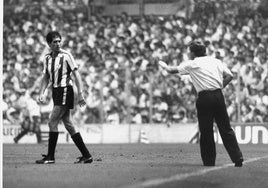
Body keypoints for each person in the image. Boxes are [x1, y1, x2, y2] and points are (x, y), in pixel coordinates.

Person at [158, 41, 243, 167]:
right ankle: (238, 158)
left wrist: (163, 65)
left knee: (206, 130)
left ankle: (209, 162)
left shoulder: (193, 64)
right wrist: (219, 87)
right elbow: (230, 75)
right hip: (218, 96)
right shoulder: (216, 61)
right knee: (226, 128)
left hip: (204, 98)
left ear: (193, 53)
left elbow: (171, 71)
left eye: (189, 52)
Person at [36, 31, 93, 164]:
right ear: (49, 44)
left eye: (59, 41)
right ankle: (87, 155)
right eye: (54, 42)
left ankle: (50, 157)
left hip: (65, 90)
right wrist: (41, 92)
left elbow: (77, 75)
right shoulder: (47, 58)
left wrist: (81, 94)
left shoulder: (66, 55)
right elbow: (46, 77)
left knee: (52, 122)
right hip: (56, 91)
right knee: (69, 124)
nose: (58, 44)